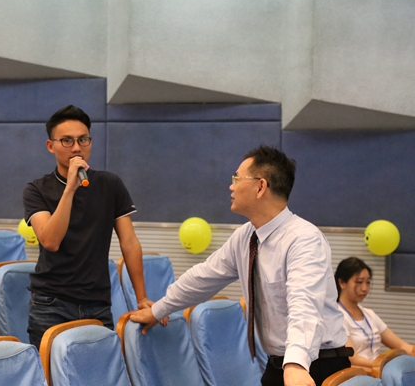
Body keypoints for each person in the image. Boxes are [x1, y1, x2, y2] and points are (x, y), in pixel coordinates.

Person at [130, 145, 351, 386]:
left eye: (237, 178)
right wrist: (159, 309)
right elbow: (203, 277)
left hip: (316, 365)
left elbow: (305, 304)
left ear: (260, 186)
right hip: (279, 364)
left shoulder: (303, 239)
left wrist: (296, 364)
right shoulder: (246, 237)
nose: (231, 186)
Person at [23, 104, 152, 349]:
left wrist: (142, 297)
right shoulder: (37, 189)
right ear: (51, 146)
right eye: (67, 141)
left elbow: (129, 242)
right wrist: (70, 188)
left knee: (100, 368)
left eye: (83, 140)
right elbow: (50, 241)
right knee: (50, 371)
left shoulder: (110, 184)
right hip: (51, 304)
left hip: (97, 302)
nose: (76, 148)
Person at [335, 256, 415, 368]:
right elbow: (353, 360)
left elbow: (401, 345)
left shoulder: (369, 314)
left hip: (378, 370)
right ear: (342, 283)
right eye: (359, 282)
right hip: (358, 374)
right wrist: (385, 366)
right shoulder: (337, 316)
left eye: (368, 282)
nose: (364, 288)